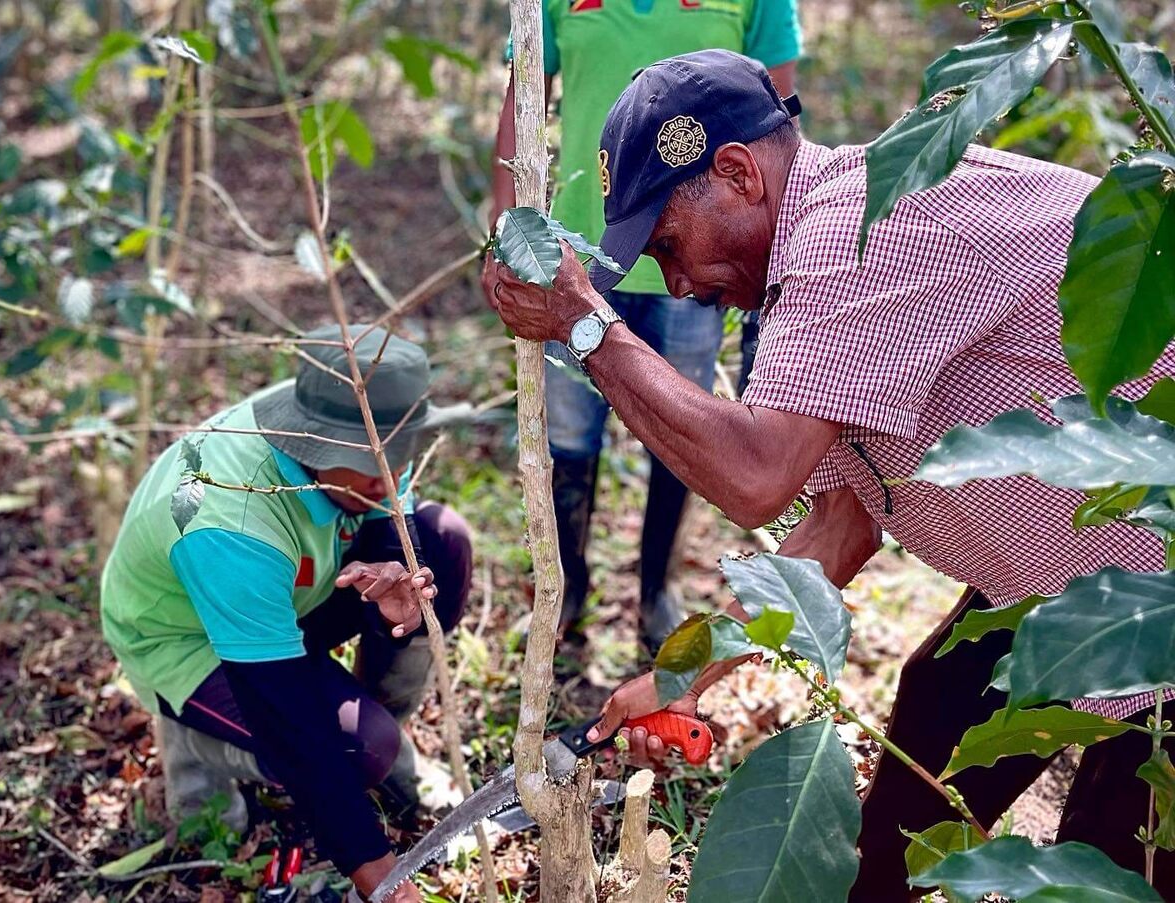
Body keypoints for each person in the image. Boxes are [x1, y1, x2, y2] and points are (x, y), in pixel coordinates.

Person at [483, 49, 1175, 898]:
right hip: (1063, 583)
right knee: (925, 740)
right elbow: (838, 528)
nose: (679, 283)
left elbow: (756, 477)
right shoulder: (815, 270)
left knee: (1109, 868)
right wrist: (678, 683)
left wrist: (587, 325)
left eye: (669, 244)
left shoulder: (859, 228)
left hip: (1155, 604)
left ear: (737, 174)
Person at [101, 326, 473, 903]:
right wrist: (380, 877)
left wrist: (400, 572)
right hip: (188, 636)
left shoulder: (361, 412)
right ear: (314, 442)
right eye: (367, 464)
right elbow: (290, 720)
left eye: (396, 453)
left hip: (291, 590)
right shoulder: (230, 527)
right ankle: (187, 733)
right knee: (355, 750)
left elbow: (385, 515)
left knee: (441, 542)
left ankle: (382, 729)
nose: (387, 475)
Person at [488, 0, 801, 649]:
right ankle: (568, 589)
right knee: (570, 430)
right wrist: (507, 232)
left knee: (681, 425)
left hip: (703, 248)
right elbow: (521, 110)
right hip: (577, 253)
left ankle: (656, 588)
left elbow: (777, 114)